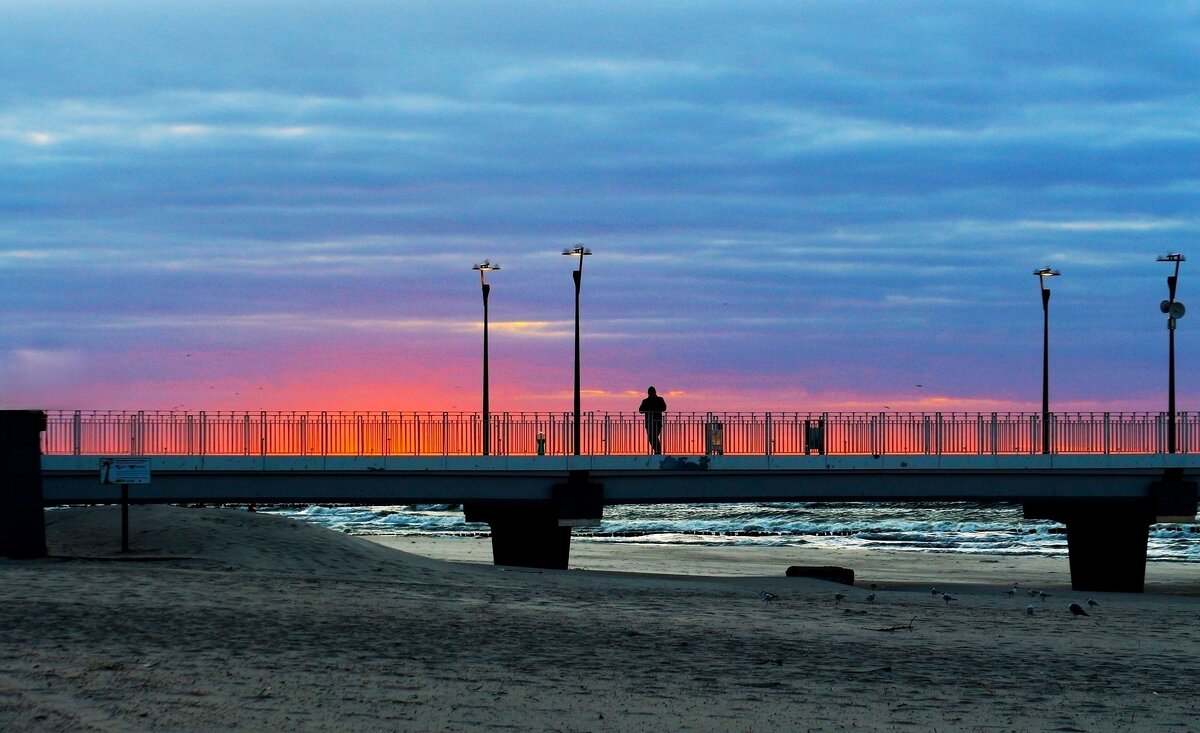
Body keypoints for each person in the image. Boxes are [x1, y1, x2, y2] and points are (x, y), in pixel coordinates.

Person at [638, 386, 667, 454]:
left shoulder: (660, 399)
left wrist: (653, 410)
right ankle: (658, 451)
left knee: (653, 437)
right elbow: (641, 410)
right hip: (649, 422)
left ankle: (658, 451)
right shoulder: (645, 401)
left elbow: (664, 408)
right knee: (651, 438)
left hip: (657, 422)